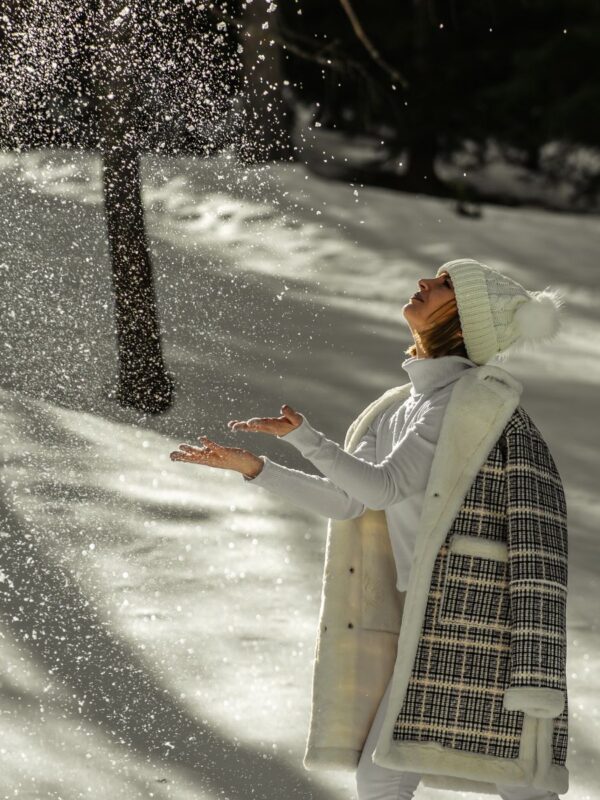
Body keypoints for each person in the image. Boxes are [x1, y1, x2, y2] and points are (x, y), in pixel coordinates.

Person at [170, 258, 568, 800]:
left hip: (481, 618)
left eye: (446, 284)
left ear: (466, 318)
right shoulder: (400, 407)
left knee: (508, 777)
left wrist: (307, 439)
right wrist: (254, 469)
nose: (426, 282)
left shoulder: (466, 400)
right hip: (431, 617)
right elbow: (349, 501)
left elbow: (383, 487)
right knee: (451, 775)